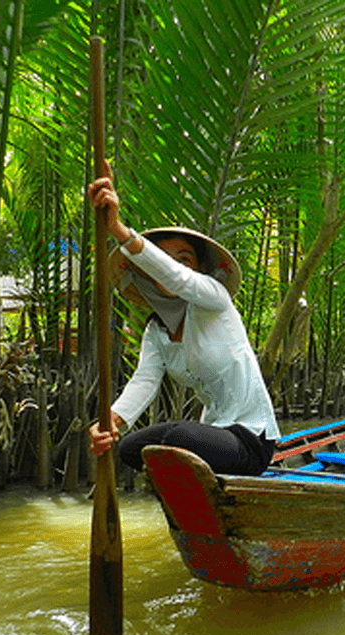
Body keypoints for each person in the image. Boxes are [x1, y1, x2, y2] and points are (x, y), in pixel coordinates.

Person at [86, 164, 280, 476]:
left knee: (177, 437)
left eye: (184, 258)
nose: (173, 266)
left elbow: (180, 281)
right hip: (213, 439)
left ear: (199, 269)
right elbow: (145, 381)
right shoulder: (156, 330)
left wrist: (119, 230)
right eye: (161, 258)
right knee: (130, 449)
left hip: (250, 440)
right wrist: (108, 423)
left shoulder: (213, 299)